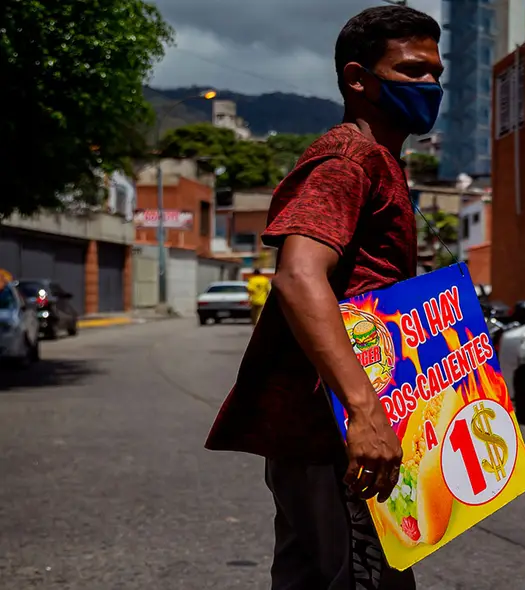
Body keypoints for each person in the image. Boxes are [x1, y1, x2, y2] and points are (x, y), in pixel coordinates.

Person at [204, 6, 443, 589]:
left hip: (334, 432)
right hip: (334, 433)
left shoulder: (379, 161)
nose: (430, 85)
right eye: (411, 71)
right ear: (358, 79)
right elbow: (299, 275)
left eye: (436, 71)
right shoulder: (348, 160)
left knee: (313, 577)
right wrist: (364, 413)